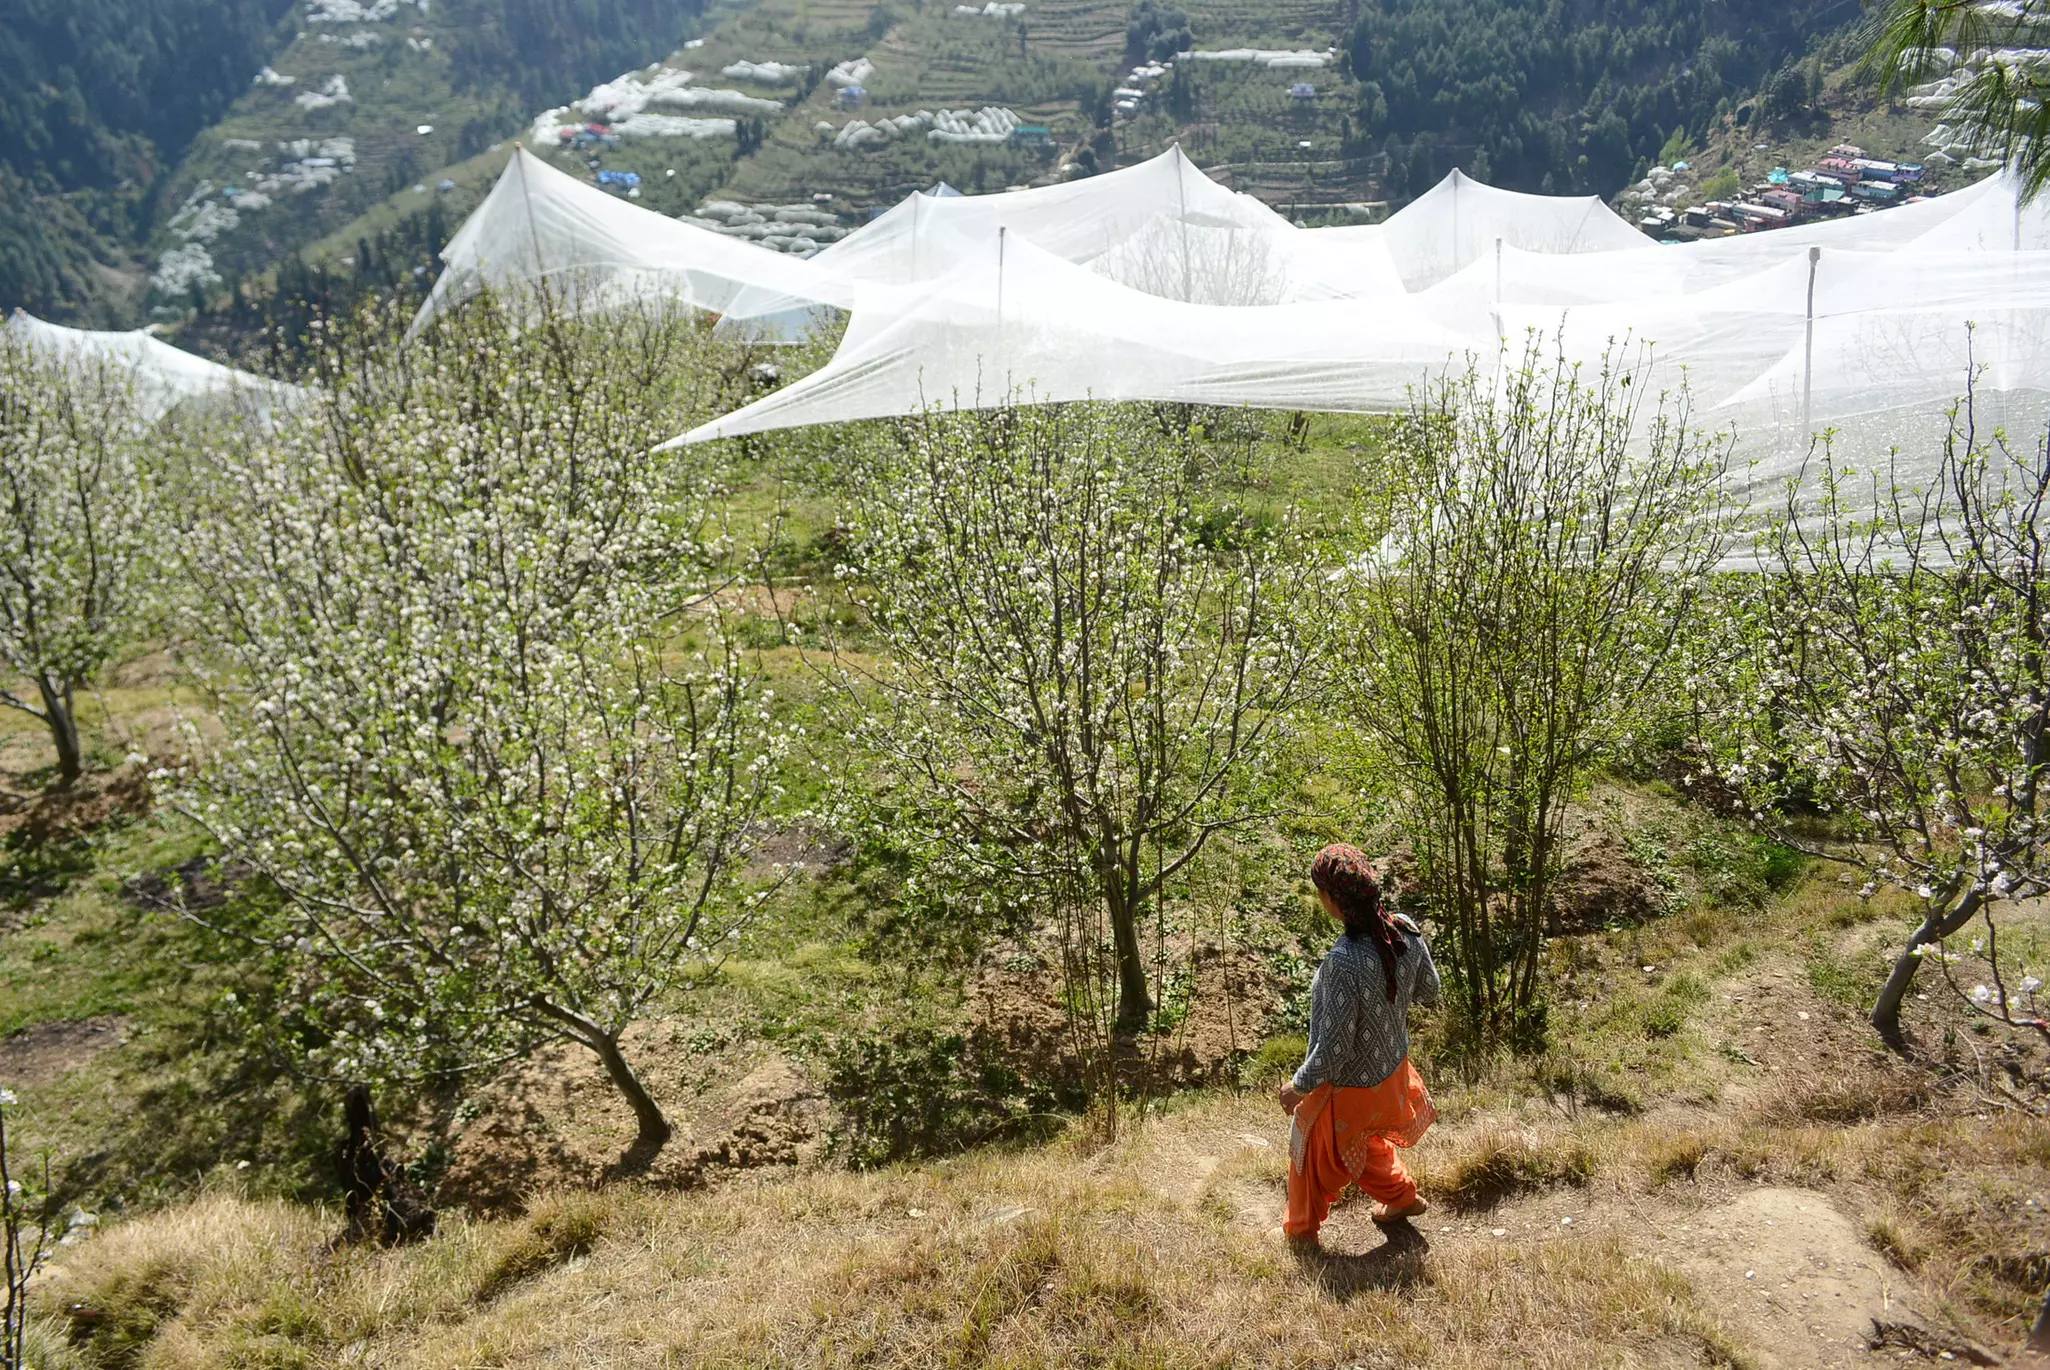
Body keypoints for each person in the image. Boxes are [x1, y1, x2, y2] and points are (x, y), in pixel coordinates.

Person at [1279, 843, 1440, 1247]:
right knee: (1364, 1142)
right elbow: (1429, 989)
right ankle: (1401, 1198)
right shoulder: (1404, 929)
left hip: (1351, 1088)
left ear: (1333, 900)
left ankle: (1300, 1232)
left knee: (1308, 1155)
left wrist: (1297, 1087)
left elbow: (1333, 1052)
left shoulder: (1343, 962)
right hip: (1394, 1073)